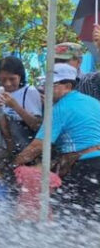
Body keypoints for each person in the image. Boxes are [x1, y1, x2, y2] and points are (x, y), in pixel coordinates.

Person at [14, 64, 100, 217]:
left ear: (67, 85)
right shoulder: (93, 102)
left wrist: (13, 164)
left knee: (73, 218)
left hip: (85, 167)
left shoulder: (60, 108)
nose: (45, 89)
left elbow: (38, 145)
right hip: (93, 161)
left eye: (51, 85)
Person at [0, 56, 42, 153]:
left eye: (12, 79)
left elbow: (37, 126)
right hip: (4, 149)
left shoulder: (29, 91)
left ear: (20, 76)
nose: (7, 84)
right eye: (3, 79)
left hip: (24, 149)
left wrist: (15, 106)